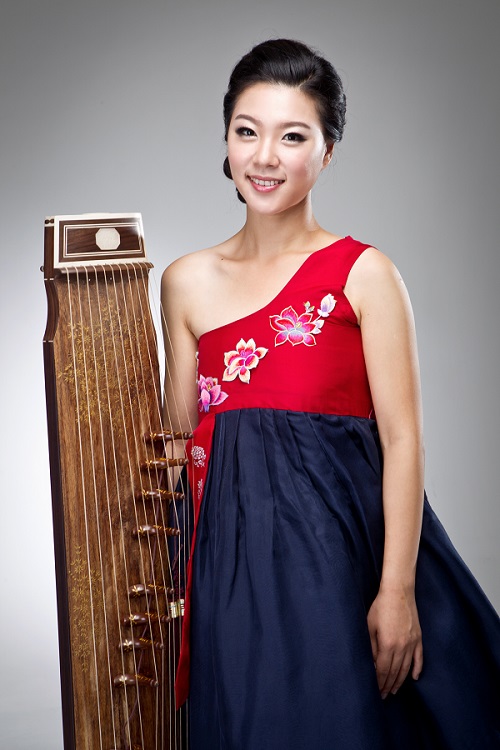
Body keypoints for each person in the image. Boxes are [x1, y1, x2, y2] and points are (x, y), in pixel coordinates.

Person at [161, 38, 500, 750]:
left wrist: (396, 591)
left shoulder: (364, 273)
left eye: (293, 137)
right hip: (231, 570)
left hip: (339, 563)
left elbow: (403, 440)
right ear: (226, 140)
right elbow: (180, 442)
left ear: (327, 152)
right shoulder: (185, 281)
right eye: (247, 131)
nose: (264, 157)